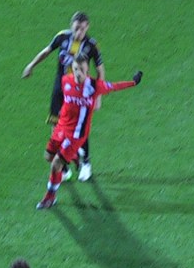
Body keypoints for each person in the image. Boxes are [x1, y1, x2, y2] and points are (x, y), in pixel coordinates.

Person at [36, 54, 142, 209]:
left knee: (56, 164)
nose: (78, 73)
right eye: (76, 69)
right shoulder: (66, 81)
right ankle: (74, 156)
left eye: (82, 69)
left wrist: (133, 82)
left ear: (87, 71)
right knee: (48, 156)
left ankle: (50, 197)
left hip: (76, 134)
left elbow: (114, 86)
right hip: (61, 127)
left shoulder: (94, 86)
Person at [22, 11, 105, 182]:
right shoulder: (62, 37)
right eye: (76, 28)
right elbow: (47, 51)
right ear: (71, 25)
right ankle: (63, 167)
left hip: (80, 92)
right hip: (60, 89)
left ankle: (86, 163)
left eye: (82, 29)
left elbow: (100, 70)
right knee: (56, 126)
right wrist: (31, 65)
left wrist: (98, 96)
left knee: (79, 128)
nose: (79, 32)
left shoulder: (91, 45)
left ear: (87, 27)